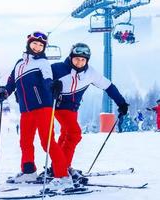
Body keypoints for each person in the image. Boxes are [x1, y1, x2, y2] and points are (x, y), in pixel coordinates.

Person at [0, 31, 72, 191]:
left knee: (47, 142)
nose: (38, 47)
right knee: (25, 142)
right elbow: (10, 86)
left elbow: (48, 79)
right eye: (35, 43)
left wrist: (53, 86)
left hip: (43, 107)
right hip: (26, 110)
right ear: (28, 43)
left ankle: (63, 176)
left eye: (41, 45)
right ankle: (29, 171)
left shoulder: (43, 62)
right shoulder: (19, 64)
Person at [51, 43, 129, 183]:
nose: (79, 62)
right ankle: (62, 171)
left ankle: (58, 165)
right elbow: (41, 81)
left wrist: (121, 103)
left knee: (65, 135)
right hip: (59, 106)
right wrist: (51, 86)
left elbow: (109, 87)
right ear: (71, 57)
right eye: (77, 59)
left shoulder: (90, 73)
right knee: (74, 134)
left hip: (73, 108)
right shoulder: (57, 69)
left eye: (83, 60)